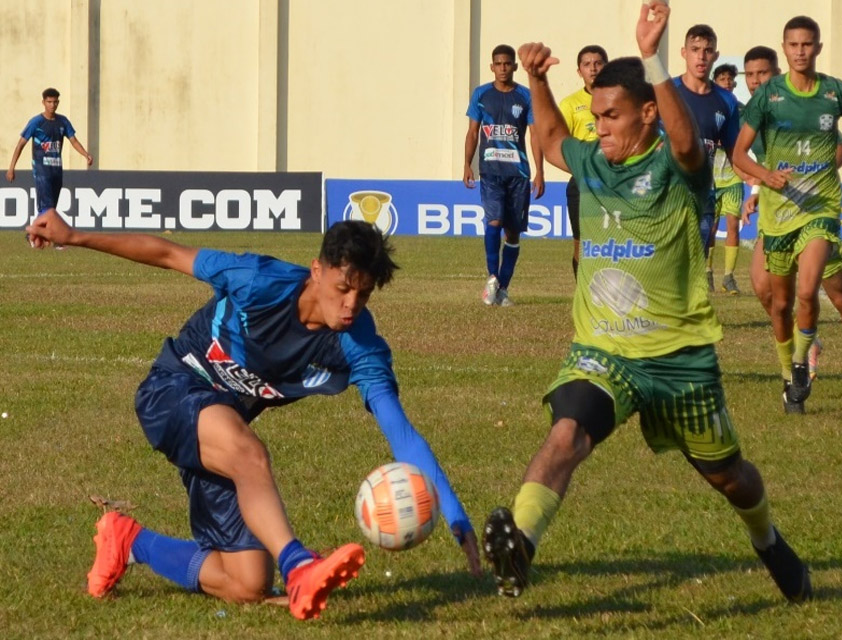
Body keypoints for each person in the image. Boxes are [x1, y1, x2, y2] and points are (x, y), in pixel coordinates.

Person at [481, 1, 811, 605]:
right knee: (566, 434)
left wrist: (656, 56)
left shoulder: (677, 166)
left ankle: (767, 540)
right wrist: (536, 78)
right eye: (598, 115)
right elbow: (552, 138)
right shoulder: (593, 159)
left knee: (729, 478)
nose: (600, 127)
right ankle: (520, 543)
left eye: (612, 116)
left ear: (649, 114)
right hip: (604, 351)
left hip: (680, 360)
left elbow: (688, 143)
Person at [25, 213, 481, 620]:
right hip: (172, 390)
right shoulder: (258, 280)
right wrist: (75, 236)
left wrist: (456, 516)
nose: (349, 306)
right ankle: (300, 565)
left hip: (221, 429)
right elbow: (166, 253)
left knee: (246, 585)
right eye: (343, 289)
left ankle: (128, 540)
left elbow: (400, 433)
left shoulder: (360, 347)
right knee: (249, 453)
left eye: (361, 296)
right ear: (317, 271)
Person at [733, 18, 842, 413]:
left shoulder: (834, 93)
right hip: (779, 216)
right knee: (777, 300)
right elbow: (743, 155)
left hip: (819, 209)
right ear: (785, 46)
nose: (800, 50)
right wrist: (762, 183)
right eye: (793, 44)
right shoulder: (766, 101)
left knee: (820, 293)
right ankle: (795, 363)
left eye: (807, 44)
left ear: (817, 47)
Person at [464, 44, 545, 307]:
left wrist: (540, 172)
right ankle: (491, 278)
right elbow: (473, 132)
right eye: (497, 64)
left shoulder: (525, 96)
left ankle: (503, 289)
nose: (502, 68)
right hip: (491, 171)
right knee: (494, 222)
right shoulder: (481, 94)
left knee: (513, 233)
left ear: (514, 66)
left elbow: (535, 135)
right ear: (492, 67)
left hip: (518, 173)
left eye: (507, 63)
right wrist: (467, 164)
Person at [672, 25, 742, 281]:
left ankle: (686, 319)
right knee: (664, 267)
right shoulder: (667, 92)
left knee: (693, 272)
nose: (701, 57)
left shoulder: (727, 101)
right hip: (665, 196)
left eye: (707, 51)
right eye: (695, 50)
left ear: (715, 55)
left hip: (703, 198)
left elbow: (736, 153)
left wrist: (761, 179)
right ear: (684, 52)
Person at [7, 88, 93, 226]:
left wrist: (85, 154)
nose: (52, 105)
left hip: (56, 169)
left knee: (51, 207)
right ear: (43, 102)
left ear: (58, 102)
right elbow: (20, 145)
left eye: (55, 102)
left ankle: (38, 235)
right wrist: (11, 168)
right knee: (46, 207)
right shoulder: (36, 122)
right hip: (41, 170)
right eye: (49, 102)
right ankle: (44, 237)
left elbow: (73, 140)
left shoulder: (63, 121)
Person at [558, 45, 608, 278]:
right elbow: (559, 144)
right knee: (581, 242)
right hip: (581, 183)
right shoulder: (570, 104)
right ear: (579, 71)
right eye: (587, 64)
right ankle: (583, 292)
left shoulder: (619, 99)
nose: (593, 68)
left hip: (614, 182)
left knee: (609, 241)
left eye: (598, 63)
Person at [709, 64, 745, 295]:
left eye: (730, 79)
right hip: (711, 178)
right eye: (722, 78)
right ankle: (706, 271)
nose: (727, 82)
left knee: (733, 225)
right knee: (710, 228)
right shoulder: (709, 107)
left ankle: (728, 277)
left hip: (733, 177)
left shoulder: (741, 110)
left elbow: (745, 139)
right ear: (715, 81)